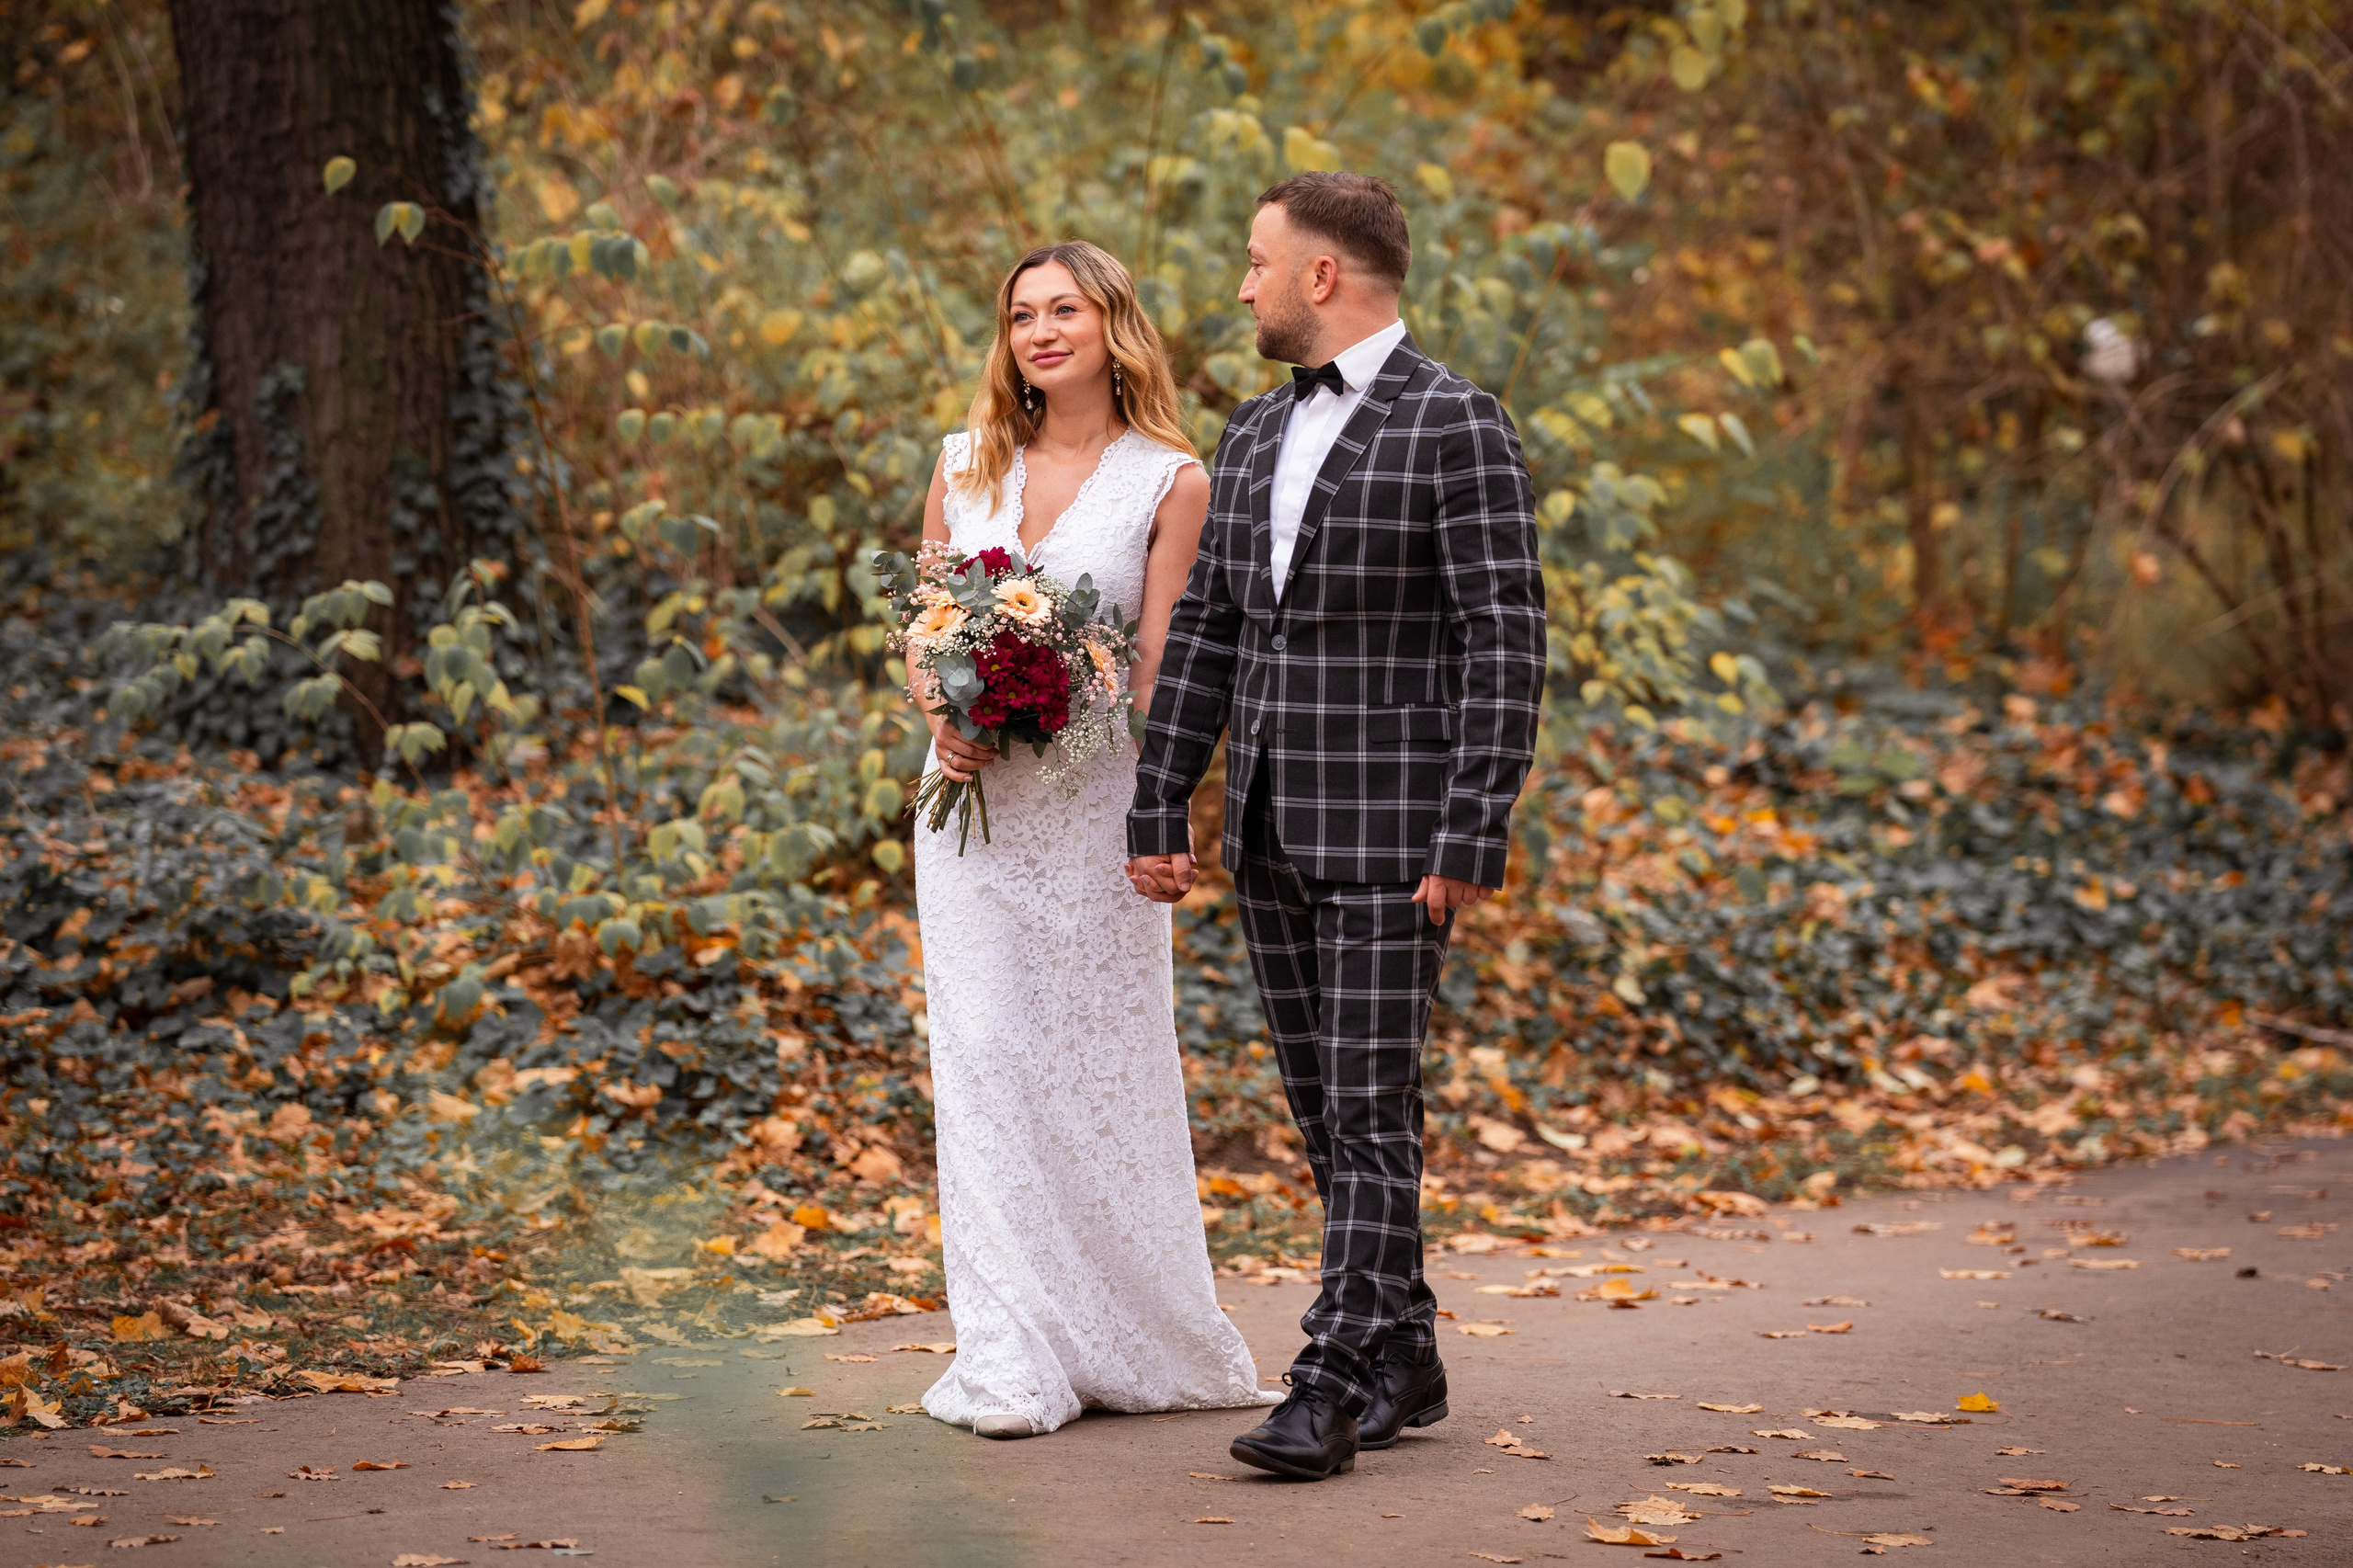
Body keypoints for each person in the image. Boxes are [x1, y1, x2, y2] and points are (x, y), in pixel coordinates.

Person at [1126, 173, 1546, 1481]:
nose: (1242, 285)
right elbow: (1207, 628)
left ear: (1323, 276)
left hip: (1397, 828)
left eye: (1258, 263)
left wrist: (1472, 828)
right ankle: (1406, 1346)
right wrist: (1160, 797)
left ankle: (1333, 1377)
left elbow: (1503, 640)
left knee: (1367, 1105)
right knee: (1324, 1106)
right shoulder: (1255, 429)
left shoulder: (1458, 423)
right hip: (1267, 823)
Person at [911, 240, 1280, 1440]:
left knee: (1097, 1065)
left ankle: (1127, 1337)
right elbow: (925, 626)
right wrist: (943, 710)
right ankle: (1010, 1352)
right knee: (982, 1063)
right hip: (971, 810)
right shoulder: (963, 463)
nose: (1041, 332)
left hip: (1095, 803)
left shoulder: (1170, 480)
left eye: (1064, 309)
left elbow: (1164, 657)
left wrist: (1166, 803)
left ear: (1112, 324)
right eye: (1023, 315)